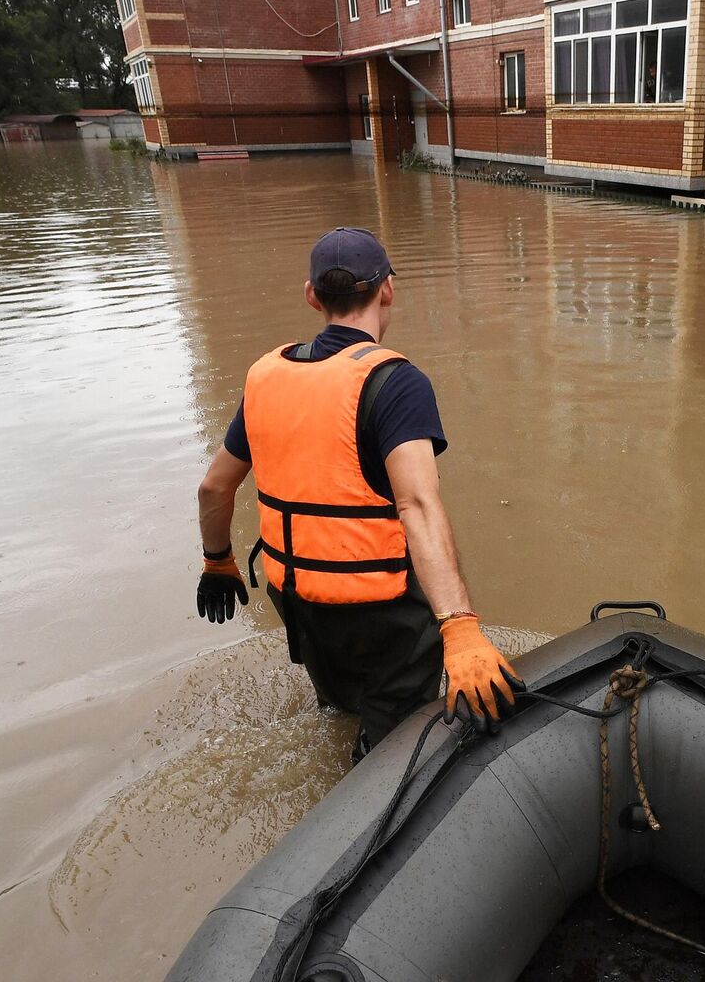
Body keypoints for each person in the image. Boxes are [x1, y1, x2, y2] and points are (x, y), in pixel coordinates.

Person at [193, 228, 519, 761]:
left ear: (312, 296)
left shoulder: (266, 377)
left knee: (342, 710)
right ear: (387, 288)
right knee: (396, 749)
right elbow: (417, 505)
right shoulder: (396, 383)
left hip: (300, 599)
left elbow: (213, 488)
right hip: (382, 611)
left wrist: (218, 561)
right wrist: (459, 629)